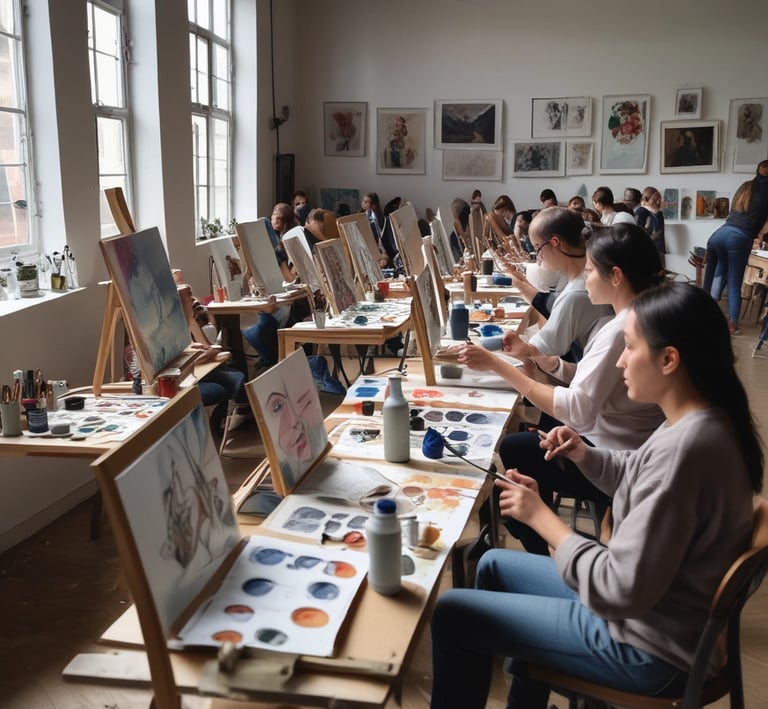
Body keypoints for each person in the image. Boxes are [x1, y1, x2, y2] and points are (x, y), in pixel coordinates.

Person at [430, 281, 762, 709]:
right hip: (653, 613)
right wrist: (585, 455)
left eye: (629, 347)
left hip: (648, 648)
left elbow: (616, 587)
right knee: (492, 565)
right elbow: (638, 471)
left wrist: (541, 518)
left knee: (453, 613)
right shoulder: (702, 417)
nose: (621, 361)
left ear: (668, 360)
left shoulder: (687, 452)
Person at [458, 224, 665, 555]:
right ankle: (545, 538)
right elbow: (590, 380)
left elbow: (577, 408)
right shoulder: (630, 316)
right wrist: (546, 361)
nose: (585, 280)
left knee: (512, 453)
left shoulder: (623, 328)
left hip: (616, 453)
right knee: (529, 441)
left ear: (615, 276)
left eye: (589, 271)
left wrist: (497, 365)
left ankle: (546, 552)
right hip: (615, 444)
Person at [499, 207, 612, 364]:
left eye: (538, 247)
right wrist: (521, 283)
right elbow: (554, 304)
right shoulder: (584, 278)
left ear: (555, 242)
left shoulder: (579, 292)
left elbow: (536, 351)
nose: (538, 257)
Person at [703, 160, 768, 335]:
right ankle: (733, 324)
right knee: (733, 284)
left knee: (713, 277)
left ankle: (701, 316)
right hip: (738, 239)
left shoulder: (746, 187)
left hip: (718, 235)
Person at [635, 186, 666, 267]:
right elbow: (637, 233)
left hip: (657, 249)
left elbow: (660, 231)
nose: (658, 202)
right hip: (645, 249)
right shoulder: (641, 212)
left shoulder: (658, 213)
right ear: (646, 199)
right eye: (656, 199)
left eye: (659, 199)